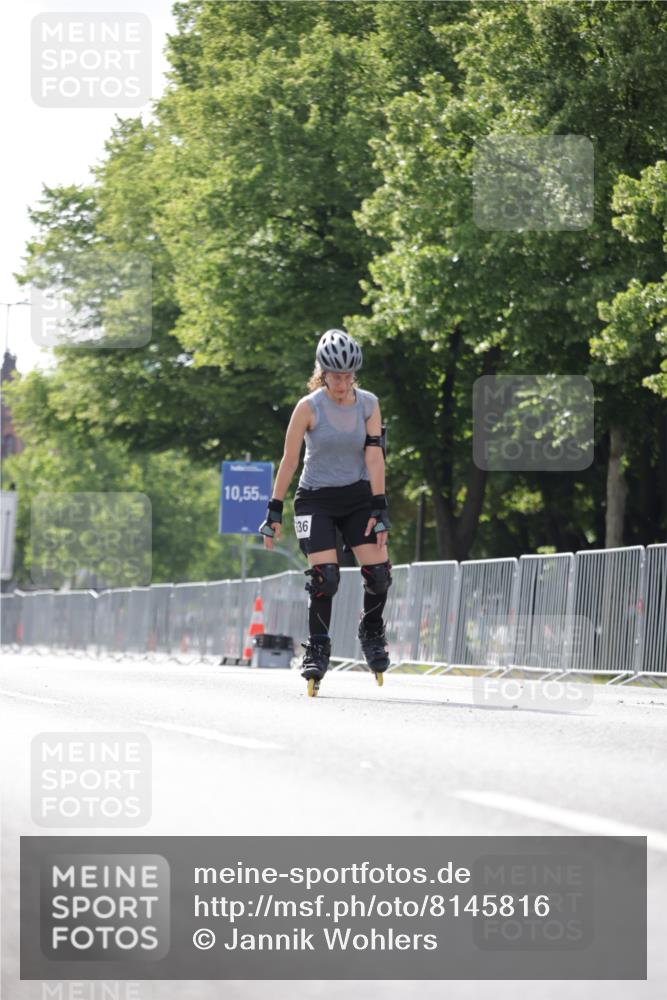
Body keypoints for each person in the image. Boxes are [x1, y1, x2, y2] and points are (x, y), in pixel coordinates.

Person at [258, 328, 393, 689]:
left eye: (349, 375)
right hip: (315, 498)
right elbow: (289, 461)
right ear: (323, 372)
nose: (343, 382)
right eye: (336, 375)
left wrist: (380, 509)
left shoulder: (368, 404)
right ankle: (317, 648)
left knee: (379, 573)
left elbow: (375, 457)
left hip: (358, 497)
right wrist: (273, 512)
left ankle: (372, 630)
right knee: (326, 577)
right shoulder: (309, 407)